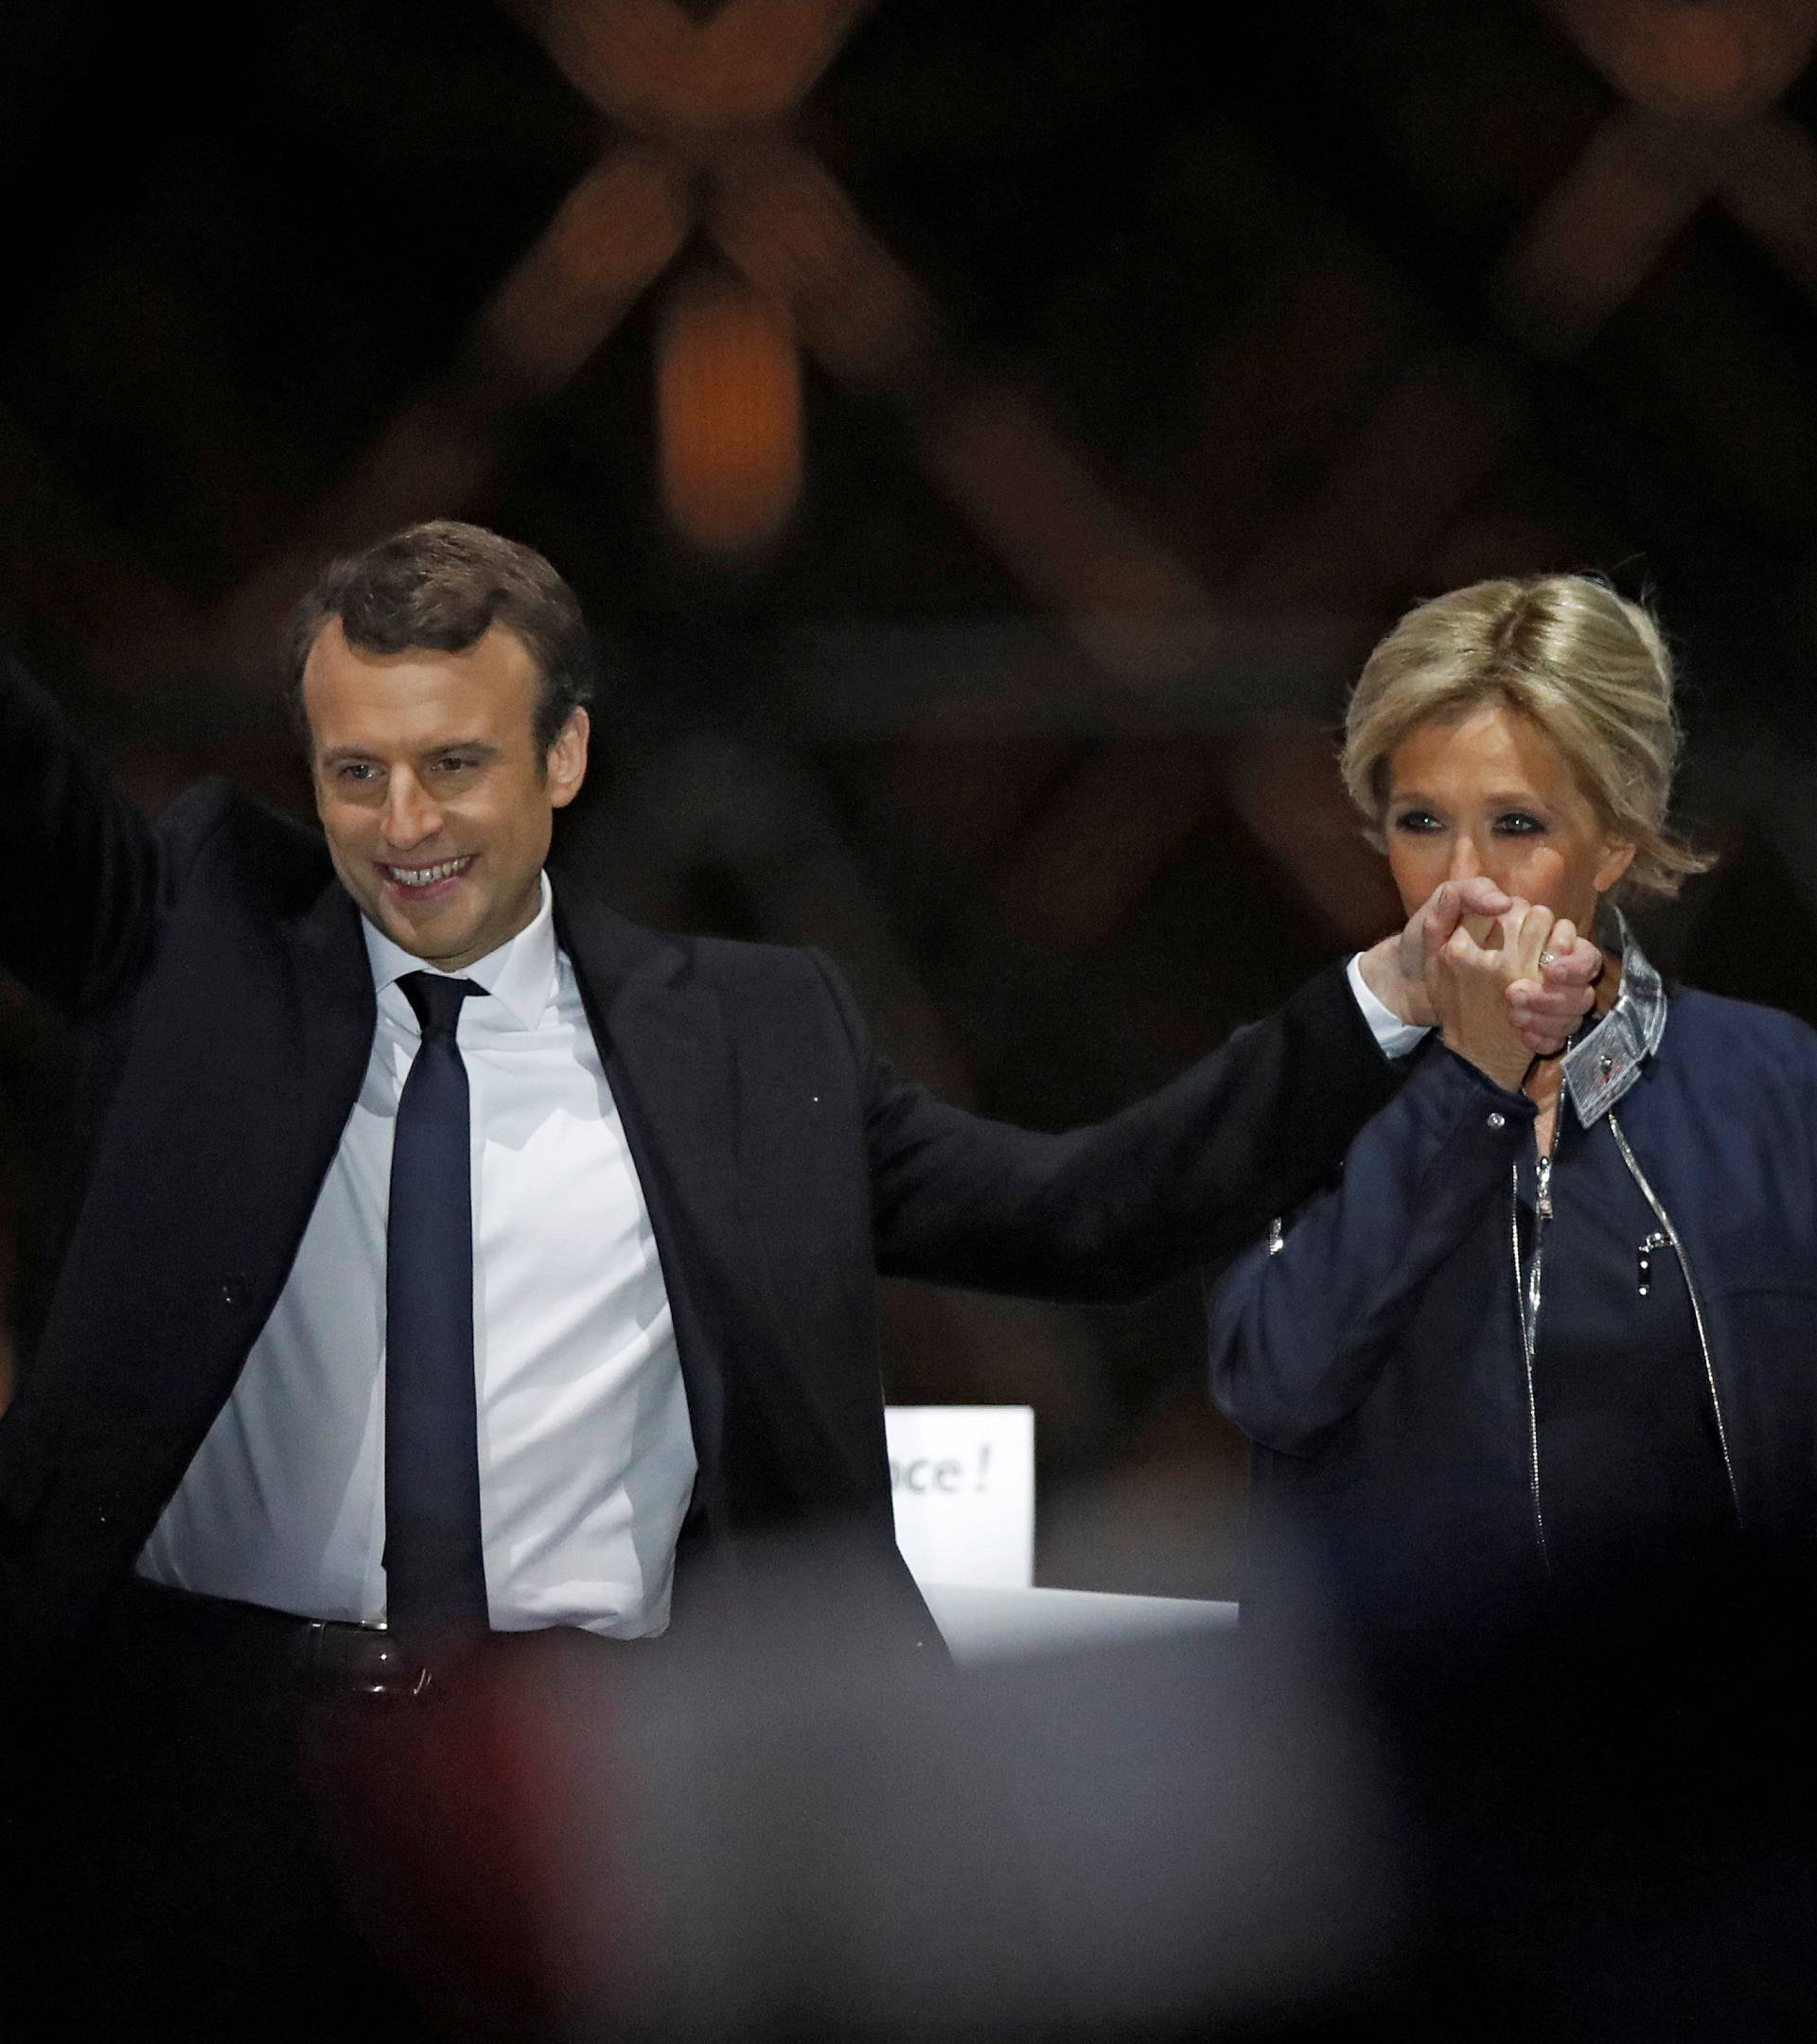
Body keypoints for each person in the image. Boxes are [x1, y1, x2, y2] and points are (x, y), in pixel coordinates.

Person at [0, 523, 1594, 2039]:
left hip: (623, 1833)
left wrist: (1381, 1003)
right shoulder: (204, 941)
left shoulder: (760, 1044)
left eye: (456, 765)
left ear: (559, 762)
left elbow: (1089, 1213)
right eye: (360, 773)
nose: (405, 822)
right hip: (209, 1814)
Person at [1208, 573, 1817, 1642]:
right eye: (1422, 822)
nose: (1465, 880)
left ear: (1618, 841)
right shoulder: (1300, 1086)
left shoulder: (1772, 1085)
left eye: (1518, 824)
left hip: (1715, 1761)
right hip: (1417, 1769)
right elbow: (1276, 1384)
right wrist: (1466, 1078)